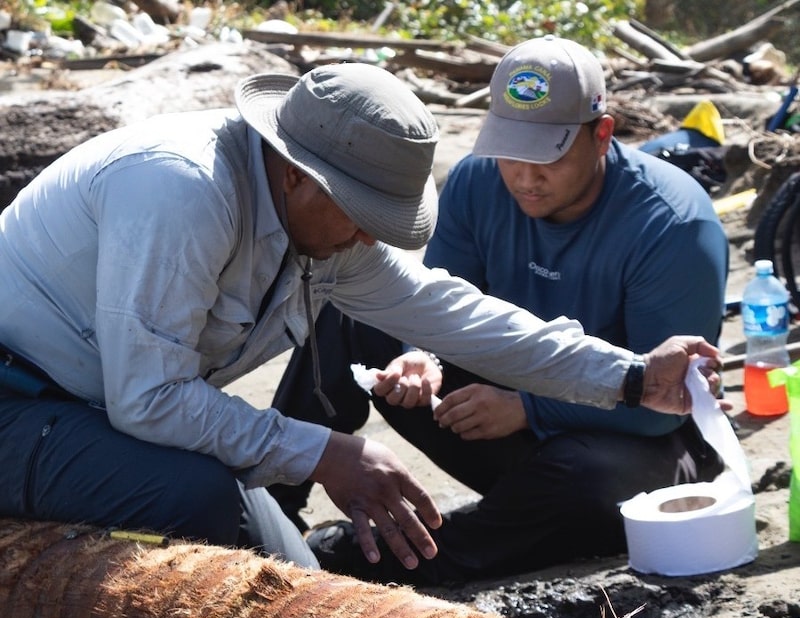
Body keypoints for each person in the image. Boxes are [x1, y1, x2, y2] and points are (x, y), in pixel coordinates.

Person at [0, 61, 722, 576]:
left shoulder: (323, 218)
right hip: (21, 399)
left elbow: (456, 315)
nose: (371, 237)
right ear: (293, 172)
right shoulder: (182, 191)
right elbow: (149, 397)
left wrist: (628, 376)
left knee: (297, 569)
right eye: (362, 215)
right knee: (201, 499)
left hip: (101, 407)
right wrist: (327, 452)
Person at [273, 37, 730, 586]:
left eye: (550, 156)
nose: (525, 177)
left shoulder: (674, 224)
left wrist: (528, 409)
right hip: (496, 411)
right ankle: (272, 508)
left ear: (602, 135)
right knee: (346, 311)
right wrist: (420, 358)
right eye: (511, 152)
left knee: (587, 481)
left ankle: (384, 556)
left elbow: (667, 404)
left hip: (638, 443)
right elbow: (429, 307)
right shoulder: (477, 180)